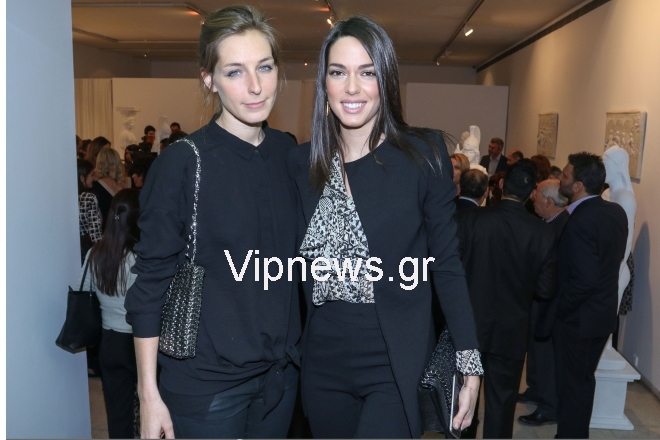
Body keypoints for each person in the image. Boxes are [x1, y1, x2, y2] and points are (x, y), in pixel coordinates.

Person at [287, 15, 482, 439]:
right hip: (322, 362)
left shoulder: (422, 156)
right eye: (338, 73)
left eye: (367, 73)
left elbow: (447, 264)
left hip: (395, 361)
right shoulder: (302, 163)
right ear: (324, 84)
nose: (352, 88)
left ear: (386, 81)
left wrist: (469, 361)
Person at [124, 6, 301, 439]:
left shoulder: (287, 152)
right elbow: (150, 285)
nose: (256, 86)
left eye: (264, 67)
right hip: (206, 383)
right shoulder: (183, 163)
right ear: (209, 79)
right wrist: (149, 394)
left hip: (281, 376)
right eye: (235, 72)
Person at [456, 159, 557, 439]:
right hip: (511, 330)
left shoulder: (469, 220)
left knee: (463, 401)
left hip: (469, 327)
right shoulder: (543, 233)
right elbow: (545, 290)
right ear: (532, 193)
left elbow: (449, 274)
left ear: (500, 184)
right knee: (501, 406)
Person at [551, 152, 627, 438]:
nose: (560, 179)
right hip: (602, 315)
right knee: (582, 382)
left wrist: (560, 308)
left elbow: (584, 281)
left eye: (565, 176)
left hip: (578, 320)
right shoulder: (615, 212)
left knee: (572, 386)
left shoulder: (580, 220)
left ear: (578, 185)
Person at [80, 189, 141, 439]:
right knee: (151, 404)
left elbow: (84, 291)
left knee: (117, 414)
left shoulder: (95, 253)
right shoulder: (139, 257)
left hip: (108, 342)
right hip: (139, 341)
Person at [518, 178, 569, 427]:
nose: (532, 198)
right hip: (539, 298)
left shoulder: (564, 227)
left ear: (548, 201)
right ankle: (536, 390)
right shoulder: (550, 222)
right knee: (536, 349)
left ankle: (549, 406)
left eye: (536, 194)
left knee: (547, 355)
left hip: (551, 302)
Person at [90, 148, 129, 232]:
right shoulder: (127, 183)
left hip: (105, 234)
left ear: (99, 163)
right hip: (126, 232)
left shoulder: (94, 187)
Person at [77, 159, 103, 264]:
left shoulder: (66, 197)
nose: (94, 178)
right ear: (82, 178)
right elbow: (95, 233)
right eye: (92, 175)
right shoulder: (89, 198)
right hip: (87, 252)